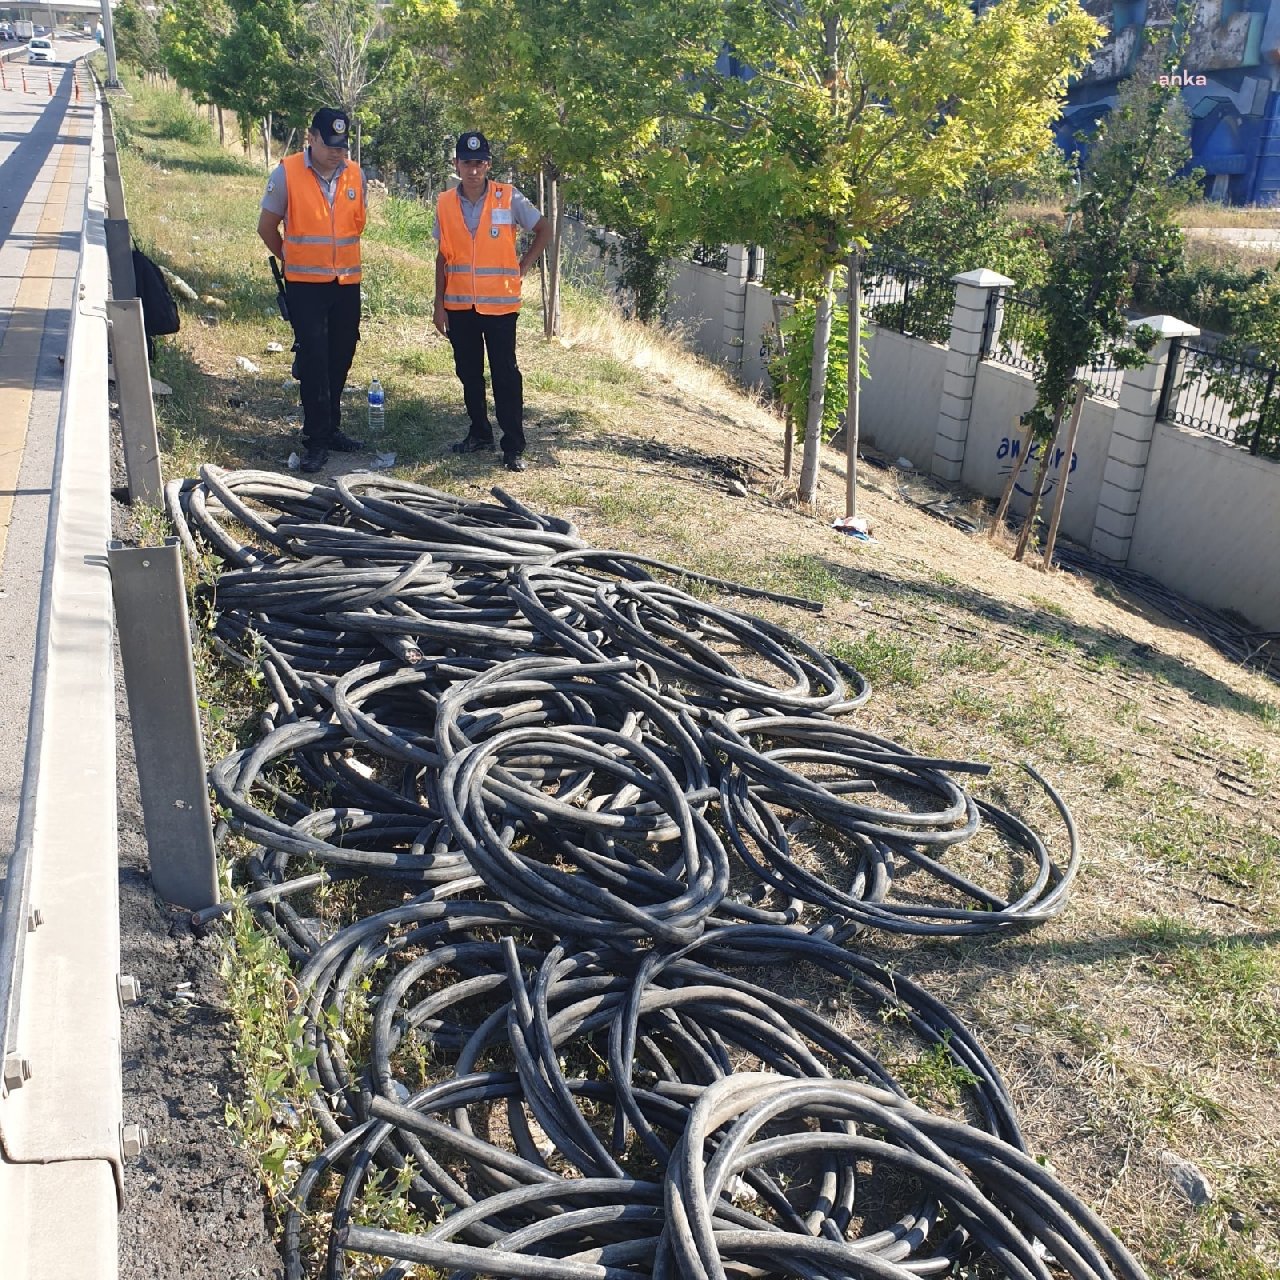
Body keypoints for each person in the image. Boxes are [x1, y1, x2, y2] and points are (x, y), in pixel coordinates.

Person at [258, 107, 368, 474]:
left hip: (346, 283)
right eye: (330, 144)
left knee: (341, 356)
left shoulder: (355, 174)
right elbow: (267, 226)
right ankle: (316, 439)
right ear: (312, 137)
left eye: (343, 145)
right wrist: (290, 258)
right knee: (315, 359)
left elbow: (357, 224)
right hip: (305, 285)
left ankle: (331, 425)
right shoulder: (287, 172)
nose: (337, 152)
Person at [434, 131, 551, 472]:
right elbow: (442, 257)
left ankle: (513, 445)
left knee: (505, 375)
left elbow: (544, 228)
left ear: (488, 165)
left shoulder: (508, 197)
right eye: (467, 163)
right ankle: (479, 432)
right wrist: (438, 303)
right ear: (456, 164)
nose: (473, 170)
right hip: (458, 305)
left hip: (500, 306)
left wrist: (523, 267)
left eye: (480, 163)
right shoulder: (443, 203)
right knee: (469, 374)